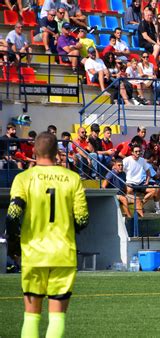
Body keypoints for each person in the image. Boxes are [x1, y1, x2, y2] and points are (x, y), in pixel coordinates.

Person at [6, 131, 89, 338]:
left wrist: (13, 246)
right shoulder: (72, 178)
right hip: (63, 254)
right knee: (57, 317)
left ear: (34, 150)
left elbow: (13, 215)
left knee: (31, 316)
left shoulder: (23, 178)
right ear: (58, 153)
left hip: (34, 253)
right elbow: (82, 219)